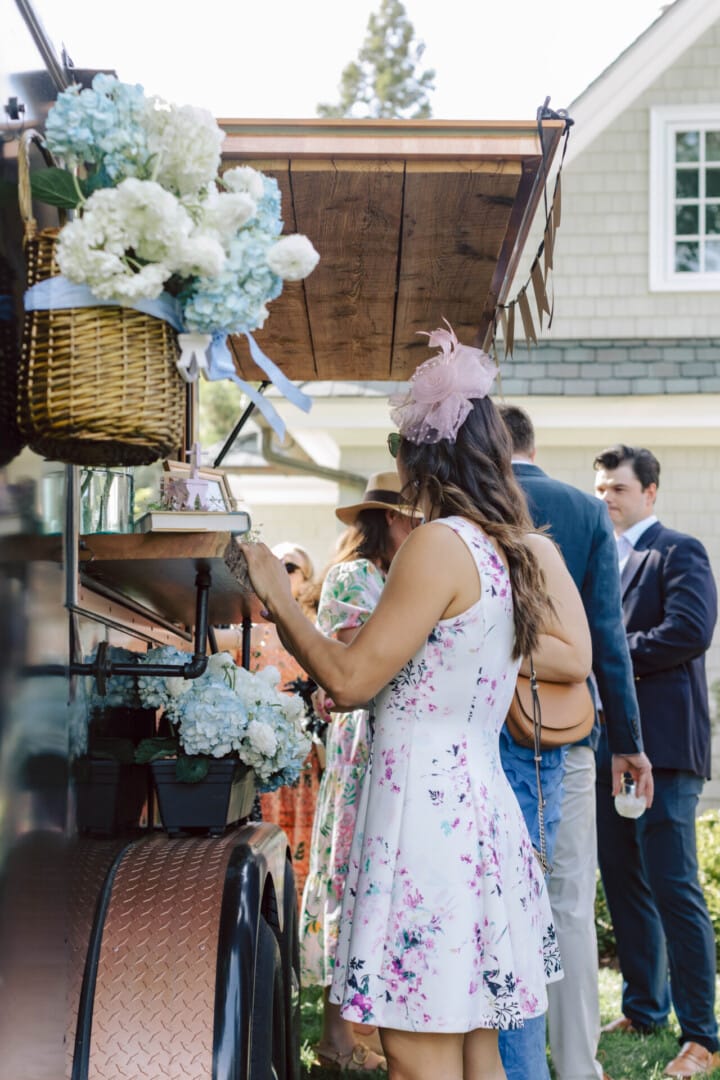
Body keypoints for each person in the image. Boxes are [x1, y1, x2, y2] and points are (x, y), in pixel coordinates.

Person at [239, 322, 592, 1080]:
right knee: (473, 1051)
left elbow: (350, 678)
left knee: (416, 1054)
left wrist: (276, 592)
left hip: (427, 825)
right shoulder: (505, 550)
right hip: (475, 815)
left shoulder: (439, 545)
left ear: (421, 456)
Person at [497, 405, 653, 1080]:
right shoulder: (584, 512)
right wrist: (629, 739)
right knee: (567, 901)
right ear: (531, 444)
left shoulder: (464, 506)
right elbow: (607, 642)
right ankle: (578, 1065)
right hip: (567, 728)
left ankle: (500, 1056)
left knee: (496, 896)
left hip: (485, 726)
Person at [593, 445, 719, 1079]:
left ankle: (703, 1035)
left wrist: (609, 655)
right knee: (623, 878)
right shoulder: (600, 560)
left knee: (674, 887)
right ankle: (645, 1008)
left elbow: (691, 630)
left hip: (666, 750)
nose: (606, 498)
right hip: (608, 746)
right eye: (600, 488)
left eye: (617, 488)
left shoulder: (678, 551)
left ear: (650, 492)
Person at [301, 472, 419, 1072]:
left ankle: (356, 1031)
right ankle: (338, 1038)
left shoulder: (391, 577)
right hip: (362, 741)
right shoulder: (357, 576)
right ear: (391, 520)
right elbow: (357, 652)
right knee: (351, 871)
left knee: (368, 876)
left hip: (382, 740)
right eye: (414, 521)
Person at [251, 542, 321, 907]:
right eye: (277, 566)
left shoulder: (315, 631)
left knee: (304, 838)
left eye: (291, 567)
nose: (284, 573)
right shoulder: (251, 629)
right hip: (265, 755)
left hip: (305, 762)